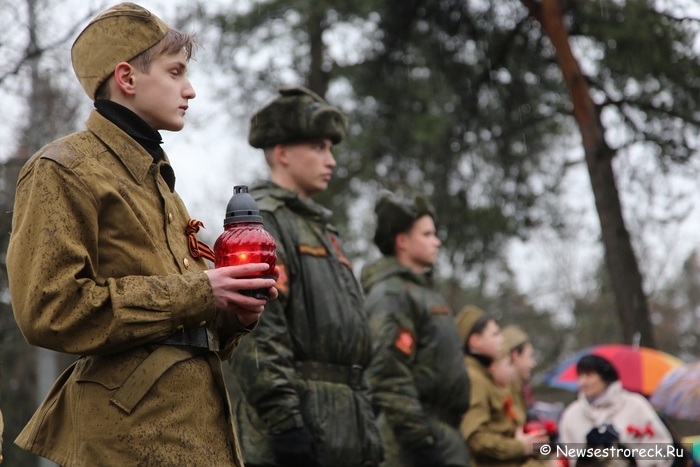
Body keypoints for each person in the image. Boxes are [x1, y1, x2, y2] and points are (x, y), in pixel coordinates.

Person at [7, 3, 277, 466]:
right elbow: (50, 309)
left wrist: (237, 310)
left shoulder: (160, 185)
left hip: (192, 434)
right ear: (127, 79)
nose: (189, 90)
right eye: (175, 73)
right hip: (126, 442)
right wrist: (201, 292)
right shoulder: (63, 170)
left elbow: (195, 322)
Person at [229, 86, 383, 467]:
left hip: (342, 427)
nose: (331, 160)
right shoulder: (262, 223)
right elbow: (258, 330)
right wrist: (285, 422)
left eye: (331, 148)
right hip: (300, 427)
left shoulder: (321, 229)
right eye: (318, 147)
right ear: (282, 153)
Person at [361, 192, 471, 467]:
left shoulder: (423, 293)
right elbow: (388, 375)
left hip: (441, 435)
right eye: (427, 234)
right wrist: (422, 445)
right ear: (402, 241)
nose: (437, 241)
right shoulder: (393, 293)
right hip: (410, 445)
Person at [457, 306, 548, 467]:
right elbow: (476, 438)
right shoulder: (475, 379)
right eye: (495, 334)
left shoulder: (482, 376)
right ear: (476, 341)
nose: (501, 340)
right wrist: (521, 447)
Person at [558, 355, 674, 467]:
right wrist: (587, 457)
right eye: (580, 376)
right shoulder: (571, 414)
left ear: (605, 377)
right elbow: (566, 455)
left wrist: (628, 455)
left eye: (589, 375)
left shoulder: (635, 405)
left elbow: (663, 449)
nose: (583, 382)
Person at [501, 325, 537, 424]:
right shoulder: (503, 392)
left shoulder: (518, 390)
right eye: (530, 356)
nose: (533, 364)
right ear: (515, 355)